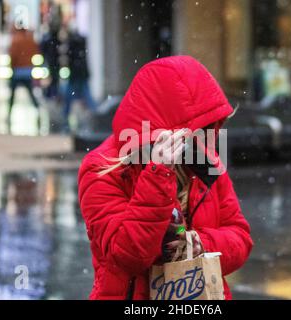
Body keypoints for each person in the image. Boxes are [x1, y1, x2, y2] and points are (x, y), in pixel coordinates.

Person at [78, 56, 253, 300]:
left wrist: (199, 244)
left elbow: (240, 237)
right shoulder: (102, 168)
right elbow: (128, 256)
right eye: (197, 128)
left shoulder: (204, 161)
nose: (205, 137)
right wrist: (158, 174)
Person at [8, 25, 41, 130]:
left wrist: (12, 67)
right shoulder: (29, 40)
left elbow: (13, 56)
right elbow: (36, 51)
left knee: (12, 93)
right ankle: (37, 109)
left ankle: (9, 112)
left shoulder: (16, 40)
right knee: (31, 93)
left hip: (18, 70)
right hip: (27, 70)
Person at [63, 28, 96, 130]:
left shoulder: (72, 44)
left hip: (76, 75)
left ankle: (66, 116)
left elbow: (70, 59)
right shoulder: (81, 43)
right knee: (86, 94)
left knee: (70, 96)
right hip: (80, 74)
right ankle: (96, 113)